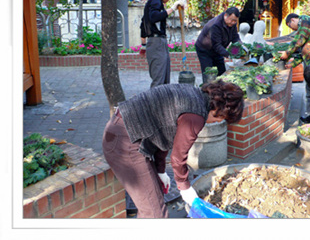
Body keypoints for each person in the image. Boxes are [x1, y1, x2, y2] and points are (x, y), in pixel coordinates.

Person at [102, 80, 244, 218]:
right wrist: (185, 187)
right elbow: (178, 157)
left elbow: (164, 132)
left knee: (155, 198)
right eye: (222, 118)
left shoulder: (192, 93)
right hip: (124, 143)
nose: (219, 121)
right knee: (154, 214)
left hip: (123, 132)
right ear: (219, 108)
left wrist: (160, 170)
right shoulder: (195, 116)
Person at [142, 0, 184, 87]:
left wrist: (143, 45)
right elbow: (153, 17)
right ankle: (154, 103)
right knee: (159, 79)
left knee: (164, 78)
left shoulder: (154, 1)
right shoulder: (156, 0)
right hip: (156, 42)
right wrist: (172, 9)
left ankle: (162, 103)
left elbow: (144, 22)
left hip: (157, 42)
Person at [195, 7, 242, 83]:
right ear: (226, 15)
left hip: (218, 50)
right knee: (209, 74)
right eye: (232, 20)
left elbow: (235, 37)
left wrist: (241, 46)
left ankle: (221, 91)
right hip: (205, 50)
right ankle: (207, 92)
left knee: (221, 72)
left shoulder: (232, 23)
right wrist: (230, 55)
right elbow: (216, 45)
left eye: (235, 21)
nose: (233, 22)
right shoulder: (215, 25)